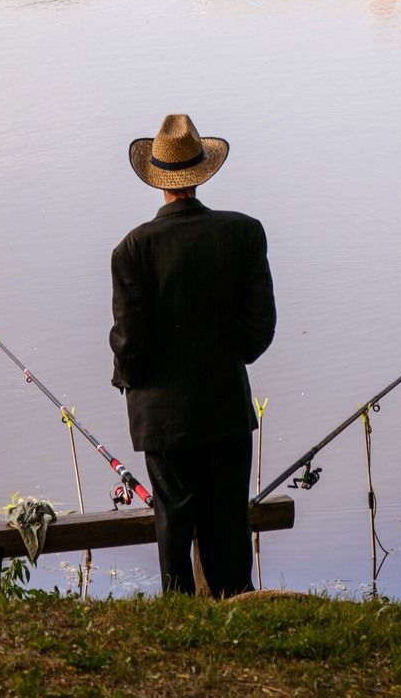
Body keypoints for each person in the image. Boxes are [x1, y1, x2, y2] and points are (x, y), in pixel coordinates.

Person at [109, 113, 276, 597]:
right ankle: (236, 604)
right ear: (202, 173)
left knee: (174, 516)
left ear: (157, 182)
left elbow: (129, 342)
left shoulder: (131, 250)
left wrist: (127, 378)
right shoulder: (245, 233)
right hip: (224, 405)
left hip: (161, 416)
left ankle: (178, 609)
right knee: (227, 517)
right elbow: (260, 330)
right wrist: (229, 359)